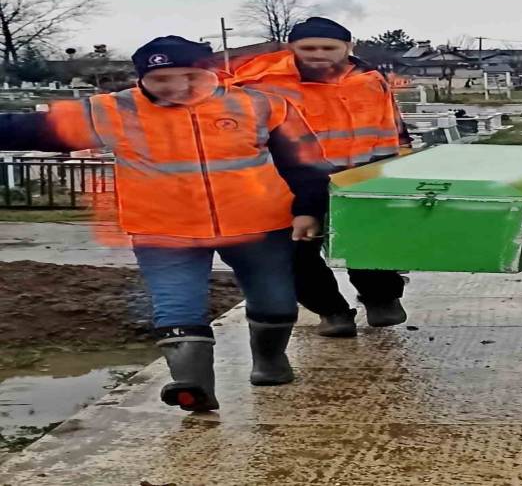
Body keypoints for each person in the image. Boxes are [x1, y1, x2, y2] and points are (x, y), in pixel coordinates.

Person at [0, 36, 330, 413]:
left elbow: (305, 162)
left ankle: (270, 363)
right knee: (177, 306)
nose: (177, 87)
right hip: (165, 233)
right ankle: (193, 386)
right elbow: (27, 128)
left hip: (259, 227)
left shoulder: (260, 105)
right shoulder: (114, 110)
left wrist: (308, 209)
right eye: (161, 80)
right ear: (142, 79)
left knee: (276, 303)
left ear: (209, 71)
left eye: (190, 76)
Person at [230, 17, 411, 338]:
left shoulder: (370, 79)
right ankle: (331, 311)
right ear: (291, 48)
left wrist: (399, 169)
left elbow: (393, 126)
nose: (318, 54)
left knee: (368, 241)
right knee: (295, 253)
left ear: (348, 47)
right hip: (289, 183)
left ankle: (382, 299)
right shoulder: (260, 84)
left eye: (329, 48)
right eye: (308, 48)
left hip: (360, 177)